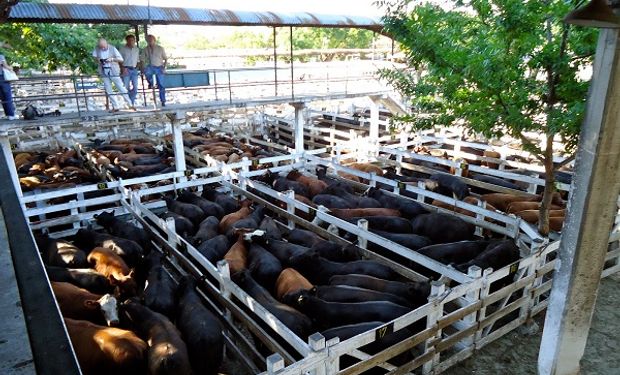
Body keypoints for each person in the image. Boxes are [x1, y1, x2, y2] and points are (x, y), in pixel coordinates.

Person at [92, 38, 135, 112]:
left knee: (121, 88)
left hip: (113, 70)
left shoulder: (112, 48)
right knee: (108, 89)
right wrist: (99, 60)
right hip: (103, 70)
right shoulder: (97, 49)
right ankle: (115, 106)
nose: (102, 48)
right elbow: (94, 57)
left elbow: (121, 59)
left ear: (106, 44)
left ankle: (130, 104)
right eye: (101, 47)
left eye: (104, 46)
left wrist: (112, 59)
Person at [142, 34, 168, 107]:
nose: (150, 41)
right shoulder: (145, 49)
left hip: (159, 67)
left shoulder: (160, 48)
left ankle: (163, 101)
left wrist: (164, 68)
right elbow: (142, 59)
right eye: (148, 40)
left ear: (154, 40)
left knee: (161, 85)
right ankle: (151, 82)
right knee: (146, 72)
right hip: (151, 66)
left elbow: (165, 58)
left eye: (151, 40)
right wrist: (143, 67)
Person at [118, 34, 140, 106]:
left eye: (133, 40)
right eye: (130, 40)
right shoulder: (122, 49)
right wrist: (122, 68)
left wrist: (137, 67)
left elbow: (138, 60)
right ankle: (128, 102)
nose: (131, 42)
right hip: (126, 69)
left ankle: (131, 102)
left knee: (136, 87)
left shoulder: (136, 49)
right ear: (127, 41)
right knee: (125, 87)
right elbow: (119, 60)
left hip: (134, 69)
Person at [0, 54, 17, 120]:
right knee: (7, 96)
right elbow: (5, 66)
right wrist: (11, 68)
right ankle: (11, 115)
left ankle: (8, 114)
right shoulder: (1, 56)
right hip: (2, 78)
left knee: (2, 97)